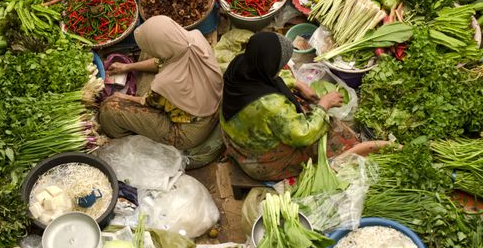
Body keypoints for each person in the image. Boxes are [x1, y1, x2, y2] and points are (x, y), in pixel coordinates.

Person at [220, 31, 389, 181]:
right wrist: (324, 104)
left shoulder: (241, 64)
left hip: (235, 137)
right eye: (279, 67)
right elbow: (303, 135)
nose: (280, 71)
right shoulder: (271, 105)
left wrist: (296, 83)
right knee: (330, 132)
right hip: (258, 161)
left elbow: (262, 83)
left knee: (302, 104)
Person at [99, 15, 223, 150]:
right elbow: (161, 61)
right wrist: (128, 67)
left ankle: (126, 137)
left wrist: (122, 97)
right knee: (150, 51)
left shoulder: (166, 84)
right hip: (209, 101)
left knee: (110, 109)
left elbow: (147, 101)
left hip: (187, 131)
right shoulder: (195, 37)